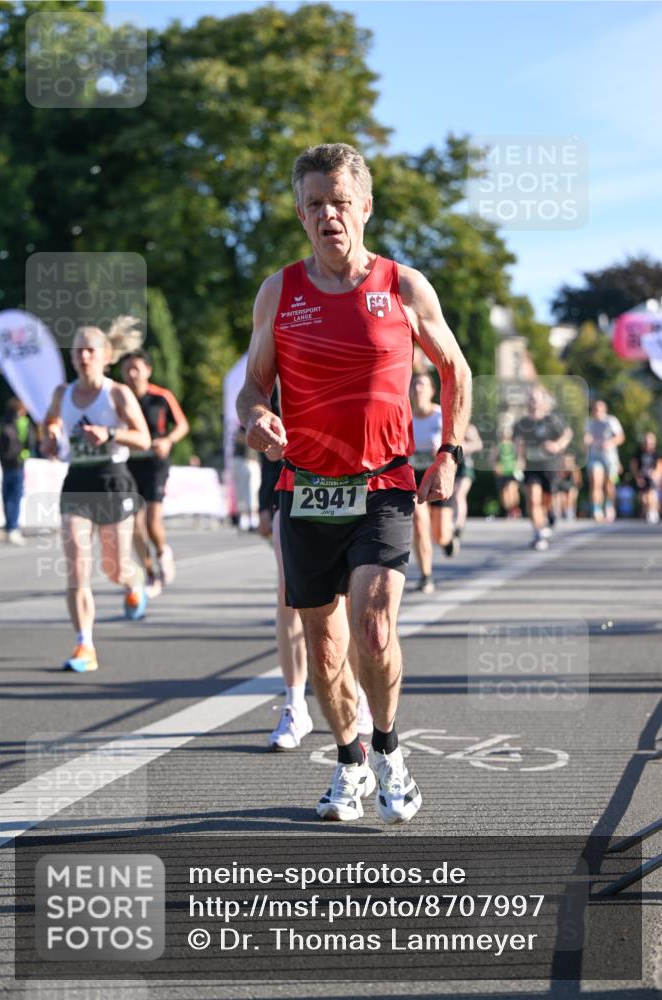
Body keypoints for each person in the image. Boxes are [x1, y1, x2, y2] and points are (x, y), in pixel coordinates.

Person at [237, 142, 471, 824]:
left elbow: (454, 367)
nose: (328, 215)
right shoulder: (279, 290)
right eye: (315, 204)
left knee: (371, 626)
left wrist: (448, 451)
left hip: (383, 482)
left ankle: (391, 752)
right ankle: (349, 761)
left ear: (364, 206)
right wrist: (256, 418)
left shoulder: (402, 286)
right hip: (305, 487)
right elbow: (253, 385)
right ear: (299, 213)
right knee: (324, 645)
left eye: (340, 202)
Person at [259, 395, 372, 750]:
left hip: (354, 486)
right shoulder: (282, 345)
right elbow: (261, 425)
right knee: (288, 594)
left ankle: (356, 691)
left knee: (350, 597)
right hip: (293, 490)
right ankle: (295, 704)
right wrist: (265, 500)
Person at [42, 321, 151, 672]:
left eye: (91, 350)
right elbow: (50, 424)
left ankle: (133, 583)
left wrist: (108, 433)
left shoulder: (117, 393)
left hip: (113, 481)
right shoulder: (62, 393)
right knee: (77, 569)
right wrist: (50, 438)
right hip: (77, 482)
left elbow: (144, 439)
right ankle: (84, 645)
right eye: (78, 350)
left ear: (105, 357)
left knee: (115, 568)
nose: (84, 356)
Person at [120, 350, 190, 594]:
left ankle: (162, 552)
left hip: (154, 463)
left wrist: (168, 440)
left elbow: (182, 425)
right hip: (127, 464)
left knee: (151, 521)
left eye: (136, 368)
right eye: (126, 369)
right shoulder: (119, 397)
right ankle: (150, 574)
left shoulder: (161, 396)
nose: (131, 374)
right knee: (132, 526)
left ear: (148, 370)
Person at [514, 386, 573, 551]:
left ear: (543, 401)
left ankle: (549, 515)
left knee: (547, 499)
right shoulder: (522, 423)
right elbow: (517, 443)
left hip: (550, 466)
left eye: (536, 398)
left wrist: (557, 445)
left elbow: (567, 434)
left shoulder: (552, 420)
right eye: (531, 398)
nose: (533, 401)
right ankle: (538, 533)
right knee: (533, 499)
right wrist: (518, 459)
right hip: (531, 466)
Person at [409, 372, 452, 592]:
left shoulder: (441, 416)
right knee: (418, 522)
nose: (418, 389)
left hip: (437, 474)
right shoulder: (404, 416)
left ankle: (448, 539)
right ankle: (426, 575)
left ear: (432, 391)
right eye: (415, 384)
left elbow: (465, 442)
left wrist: (445, 452)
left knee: (440, 534)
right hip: (413, 474)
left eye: (423, 385)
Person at [0, 397, 36, 545]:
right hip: (18, 464)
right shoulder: (23, 423)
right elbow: (30, 443)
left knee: (7, 496)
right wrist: (23, 456)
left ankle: (9, 526)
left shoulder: (1, 422)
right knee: (15, 496)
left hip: (4, 463)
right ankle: (12, 528)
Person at [584, 400, 625, 522]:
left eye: (599, 409)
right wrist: (587, 440)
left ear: (604, 410)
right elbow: (586, 437)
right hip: (595, 456)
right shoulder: (589, 423)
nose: (597, 411)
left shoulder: (611, 421)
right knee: (596, 483)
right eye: (595, 409)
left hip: (610, 457)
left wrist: (610, 442)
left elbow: (621, 437)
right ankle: (597, 510)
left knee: (609, 485)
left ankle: (609, 506)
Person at [450, 422, 483, 552]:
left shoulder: (469, 427)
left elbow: (479, 444)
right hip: (452, 466)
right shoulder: (445, 424)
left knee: (459, 494)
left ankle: (458, 526)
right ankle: (451, 523)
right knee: (451, 495)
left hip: (465, 466)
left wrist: (464, 446)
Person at [631, 431, 661, 524]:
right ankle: (647, 510)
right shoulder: (639, 453)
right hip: (642, 478)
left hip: (652, 478)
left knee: (652, 494)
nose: (648, 445)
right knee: (644, 498)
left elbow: (660, 465)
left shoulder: (656, 453)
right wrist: (637, 478)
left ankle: (653, 511)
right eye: (647, 443)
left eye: (650, 443)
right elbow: (634, 465)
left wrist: (656, 474)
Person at [493, 427, 522, 518]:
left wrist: (519, 466)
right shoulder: (498, 446)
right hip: (502, 472)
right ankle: (509, 510)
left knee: (512, 490)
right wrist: (496, 466)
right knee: (504, 493)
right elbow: (493, 459)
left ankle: (515, 509)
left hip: (513, 471)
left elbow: (520, 458)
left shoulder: (514, 446)